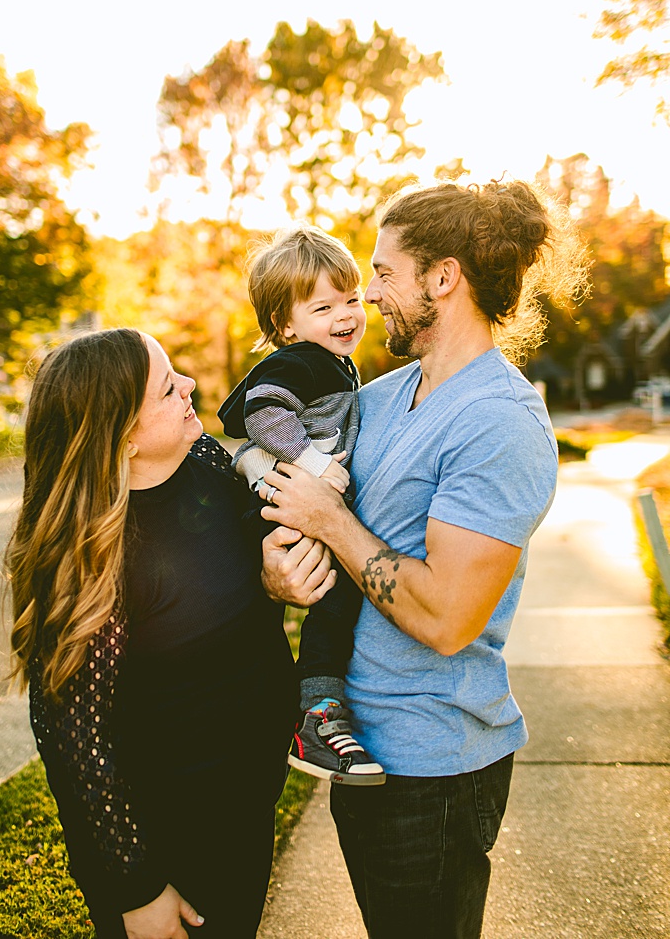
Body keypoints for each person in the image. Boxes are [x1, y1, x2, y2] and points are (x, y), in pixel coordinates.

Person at [260, 181, 585, 938]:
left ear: (443, 278)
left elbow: (445, 618)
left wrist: (332, 522)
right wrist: (279, 573)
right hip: (357, 746)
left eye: (382, 273)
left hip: (435, 767)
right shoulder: (378, 396)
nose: (368, 297)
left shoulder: (498, 423)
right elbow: (309, 525)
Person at [5, 327, 333, 939]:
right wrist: (138, 891)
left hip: (246, 807)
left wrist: (273, 580)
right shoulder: (91, 560)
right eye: (165, 390)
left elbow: (223, 588)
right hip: (173, 838)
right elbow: (77, 746)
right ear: (124, 435)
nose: (188, 387)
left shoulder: (206, 462)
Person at [217, 225, 383, 785]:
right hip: (280, 503)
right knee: (334, 601)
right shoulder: (302, 361)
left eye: (352, 299)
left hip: (290, 501)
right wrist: (312, 465)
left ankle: (314, 710)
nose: (346, 315)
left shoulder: (332, 362)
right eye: (324, 306)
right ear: (286, 325)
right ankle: (316, 713)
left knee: (330, 604)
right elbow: (260, 413)